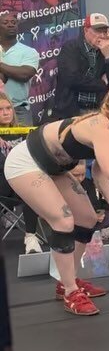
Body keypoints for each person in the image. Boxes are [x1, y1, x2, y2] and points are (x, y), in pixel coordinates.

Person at [3, 86, 109, 315]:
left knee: (88, 219)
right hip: (25, 162)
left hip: (55, 167)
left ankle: (66, 281)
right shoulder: (99, 127)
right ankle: (71, 291)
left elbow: (101, 170)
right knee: (63, 221)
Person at [52, 13, 109, 121]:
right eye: (97, 30)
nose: (101, 35)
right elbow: (72, 79)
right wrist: (102, 83)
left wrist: (108, 56)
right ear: (86, 30)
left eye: (104, 31)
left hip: (97, 109)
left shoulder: (107, 51)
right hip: (72, 109)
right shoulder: (71, 48)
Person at [0, 91, 43, 252]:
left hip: (21, 183)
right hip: (2, 184)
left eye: (8, 108)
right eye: (1, 109)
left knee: (31, 187)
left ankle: (30, 237)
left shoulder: (24, 132)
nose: (5, 113)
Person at [0, 10, 40, 126]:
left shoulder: (29, 52)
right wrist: (10, 71)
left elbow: (24, 75)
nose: (11, 24)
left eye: (13, 22)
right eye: (5, 22)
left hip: (19, 110)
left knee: (23, 144)